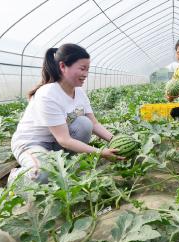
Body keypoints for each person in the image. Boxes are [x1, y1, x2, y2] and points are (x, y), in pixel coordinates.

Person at [9, 43, 123, 184]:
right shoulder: (48, 93)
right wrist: (100, 153)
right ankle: (15, 177)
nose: (85, 74)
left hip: (56, 142)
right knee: (44, 174)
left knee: (84, 124)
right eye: (82, 69)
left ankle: (65, 167)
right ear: (63, 67)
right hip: (31, 143)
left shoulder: (79, 92)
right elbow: (64, 140)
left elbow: (94, 124)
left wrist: (117, 141)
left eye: (88, 69)